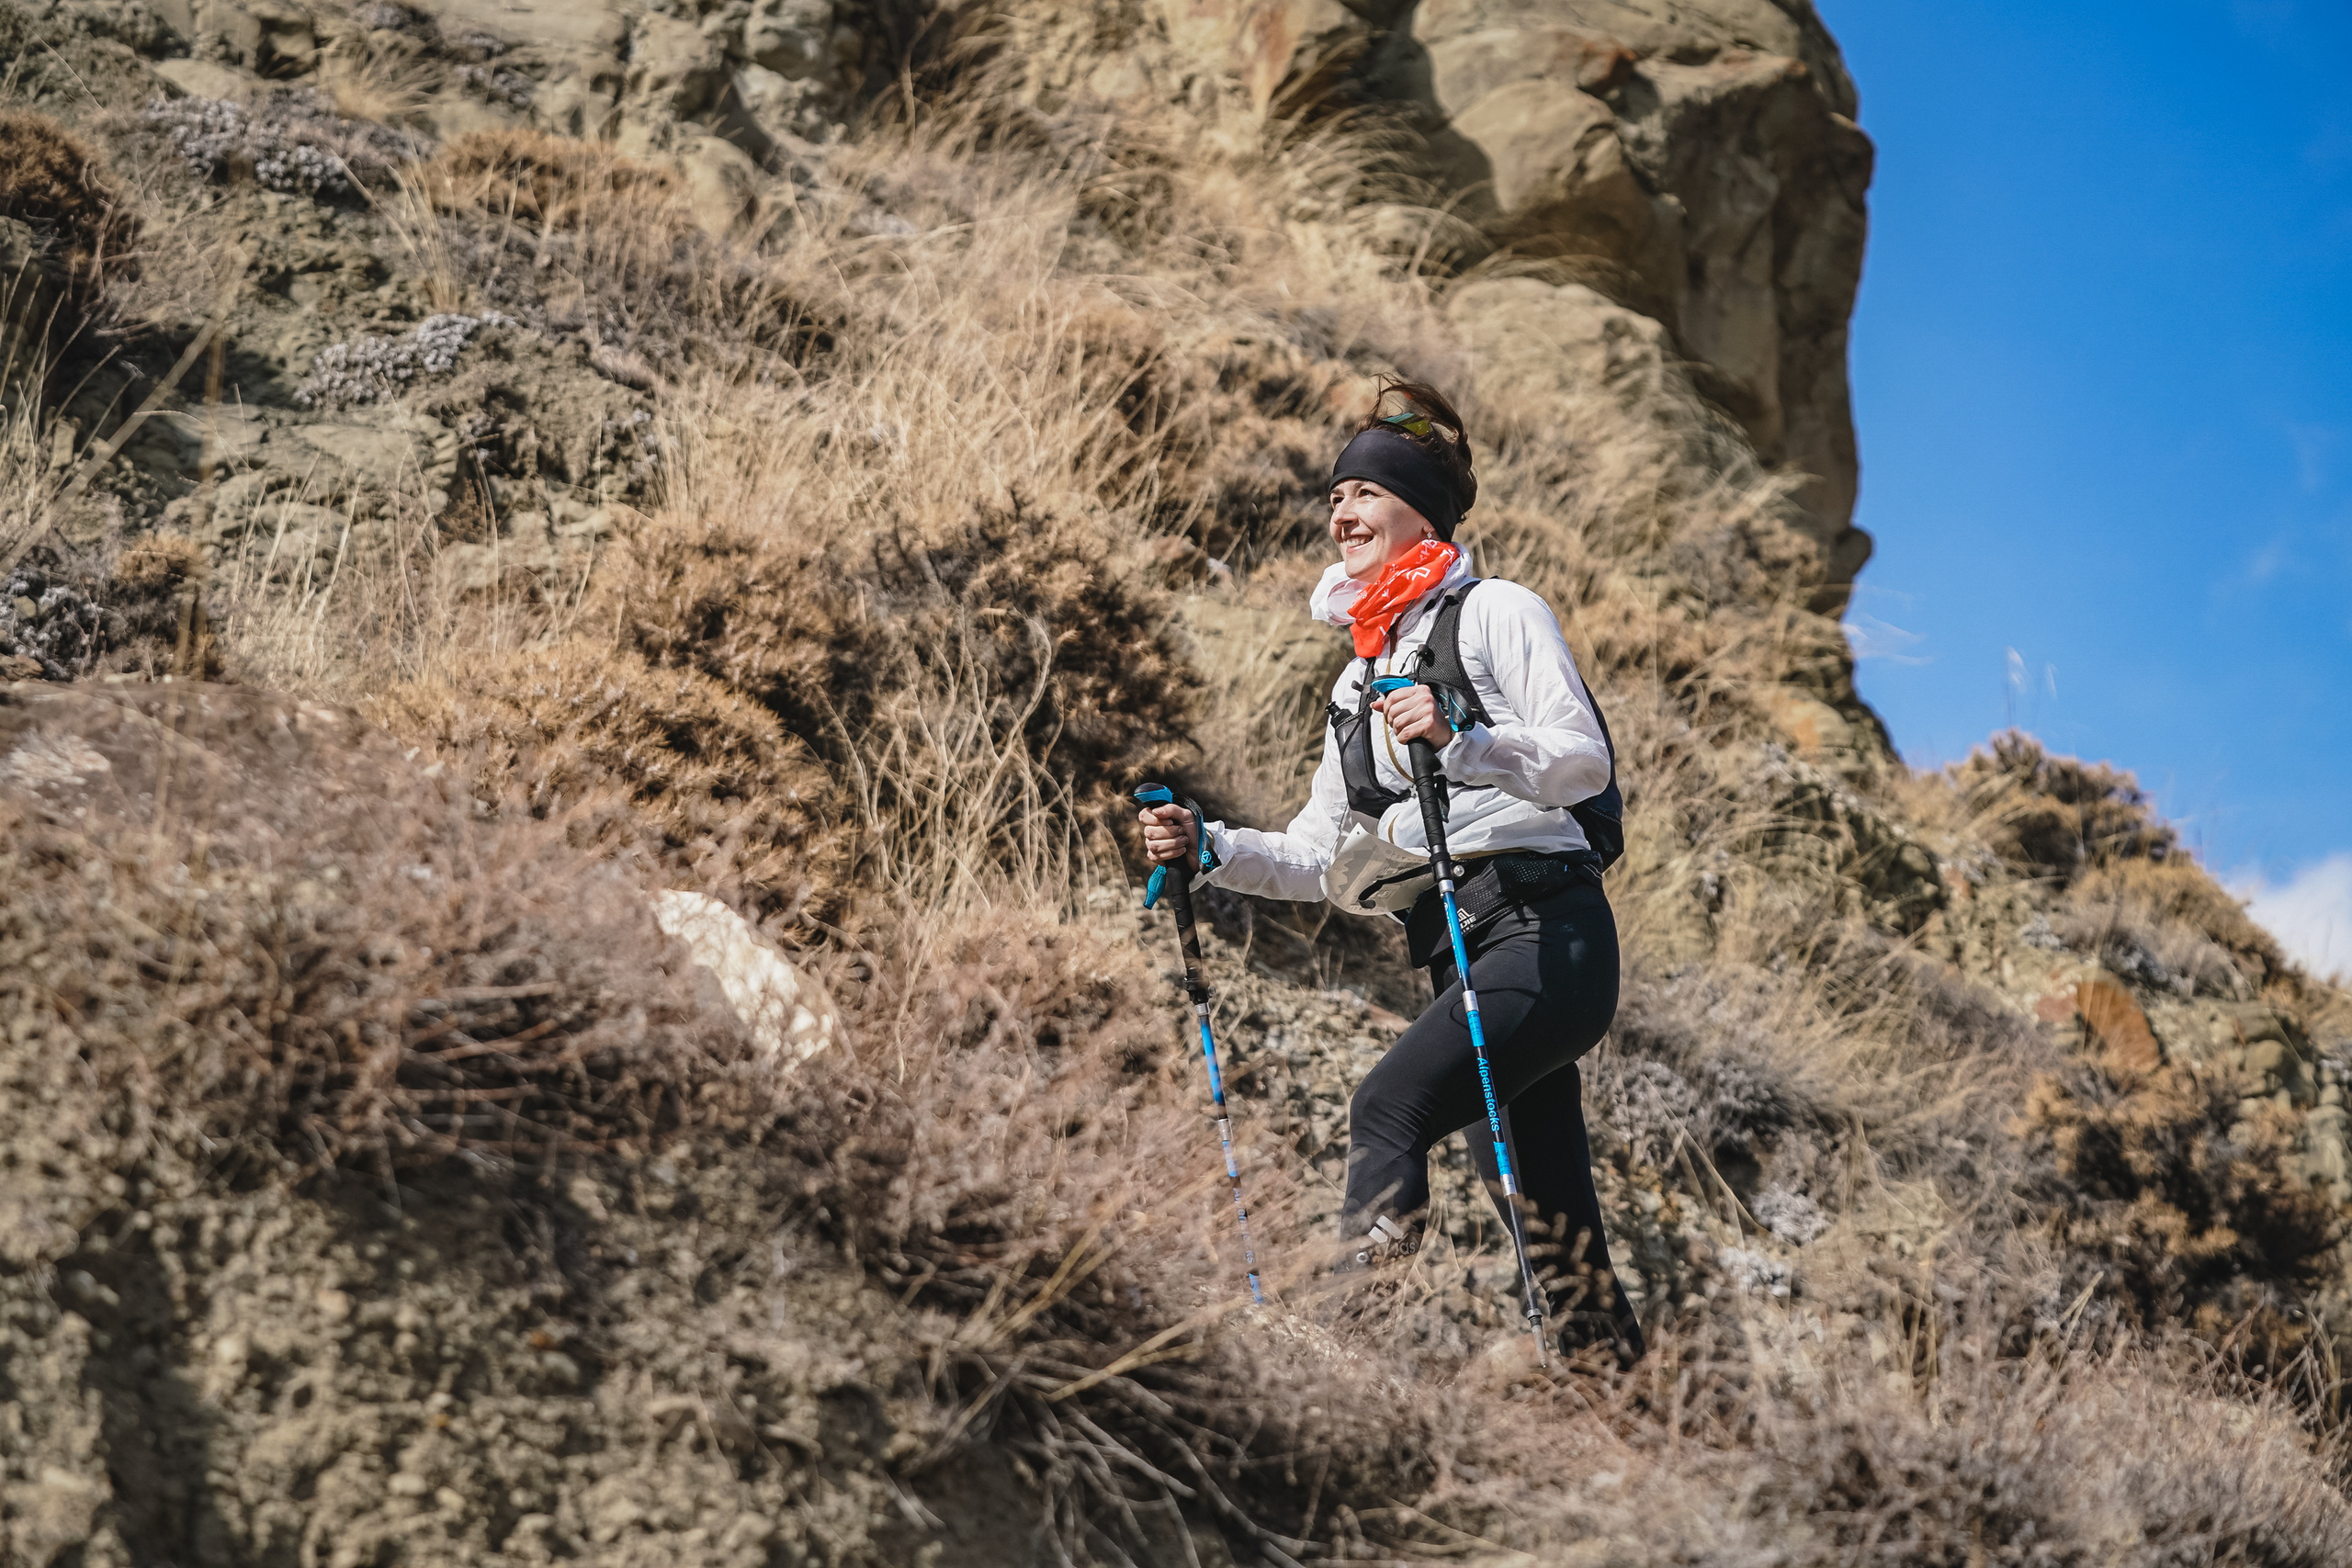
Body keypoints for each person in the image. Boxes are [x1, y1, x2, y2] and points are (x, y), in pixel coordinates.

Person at [1137, 380, 1643, 1368]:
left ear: (1422, 511)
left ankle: (1343, 1347)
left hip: (1549, 931)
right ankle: (1618, 1396)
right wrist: (1212, 848)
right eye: (1335, 498)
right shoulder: (1357, 678)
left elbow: (1582, 760)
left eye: (1365, 493)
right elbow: (1320, 853)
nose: (1341, 513)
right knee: (1542, 1209)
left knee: (1388, 1107)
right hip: (1463, 952)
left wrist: (1466, 739)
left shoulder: (1495, 610)